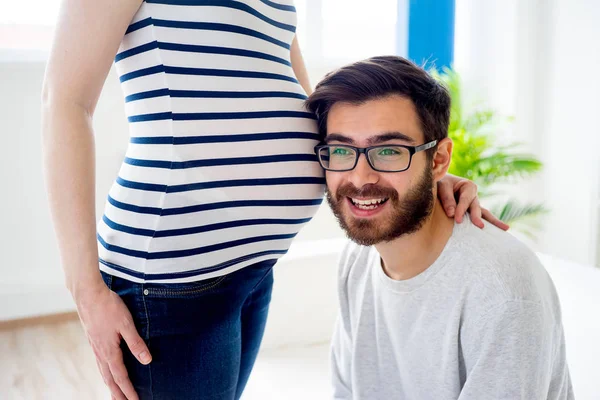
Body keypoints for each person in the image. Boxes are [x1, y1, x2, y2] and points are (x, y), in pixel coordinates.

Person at [41, 1, 507, 399]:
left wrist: (419, 171)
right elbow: (64, 101)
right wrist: (86, 290)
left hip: (253, 269)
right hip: (171, 277)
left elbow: (316, 113)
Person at [305, 55, 573, 400]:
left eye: (388, 152)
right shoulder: (357, 260)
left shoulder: (501, 290)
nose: (360, 178)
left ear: (440, 160)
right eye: (342, 150)